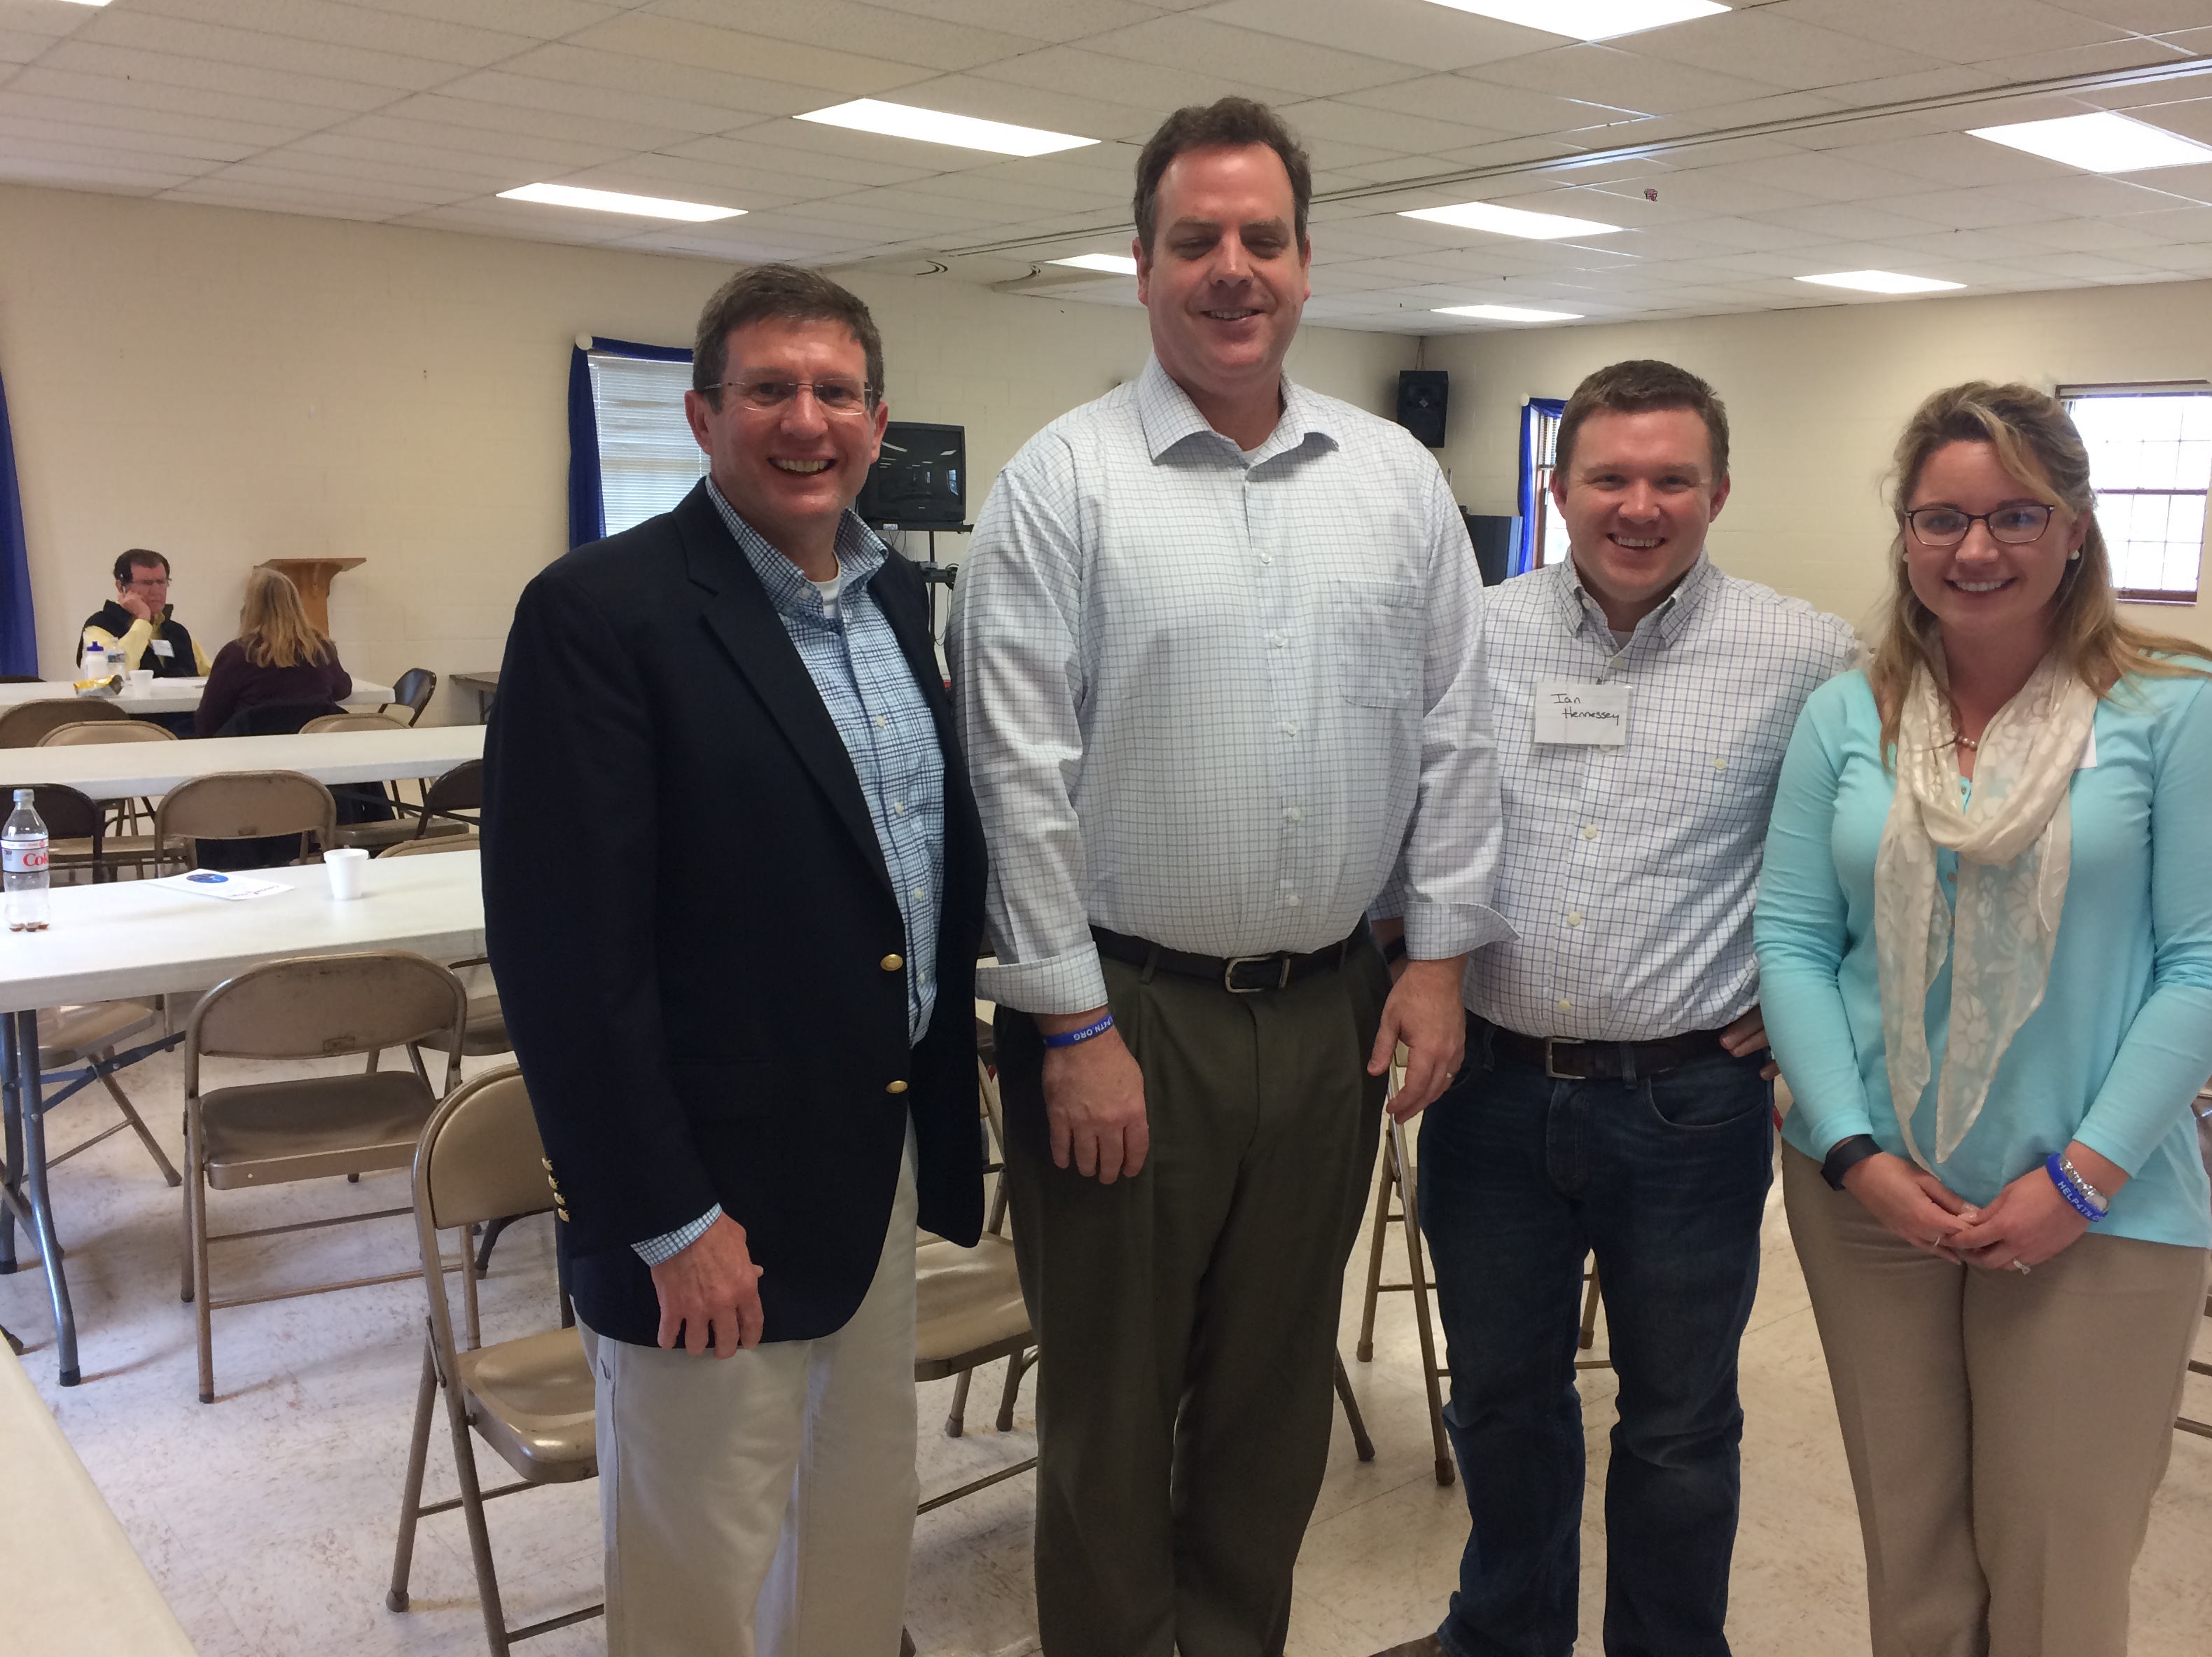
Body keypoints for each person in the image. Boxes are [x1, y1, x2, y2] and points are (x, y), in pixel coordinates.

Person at [948, 97, 1504, 1657]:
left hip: (1329, 1010)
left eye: (1263, 238)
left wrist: (1442, 958)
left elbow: (1461, 736)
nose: (1232, 267)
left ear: (1309, 266)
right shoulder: (1063, 488)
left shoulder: (1394, 482)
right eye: (1196, 239)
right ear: (1141, 264)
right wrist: (1070, 1030)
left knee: (1272, 1405)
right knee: (1113, 1421)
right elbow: (1018, 783)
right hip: (1127, 1017)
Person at [483, 263, 987, 1655]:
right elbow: (565, 961)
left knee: (856, 1526)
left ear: (878, 424)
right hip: (708, 1209)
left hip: (870, 1166)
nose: (805, 420)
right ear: (705, 415)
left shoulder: (896, 610)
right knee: (698, 1569)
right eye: (770, 389)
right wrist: (667, 1221)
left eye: (835, 393)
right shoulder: (601, 616)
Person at [1757, 382, 2212, 1657]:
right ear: (1902, 535)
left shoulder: (2177, 708)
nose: (1973, 549)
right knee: (1913, 1550)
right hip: (1867, 1201)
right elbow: (1789, 939)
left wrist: (2081, 1178)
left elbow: (2209, 961)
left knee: (2056, 1561)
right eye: (1939, 517)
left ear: (2072, 529)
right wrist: (1850, 1153)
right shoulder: (1848, 713)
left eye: (2011, 514)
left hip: (2094, 1213)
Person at [1381, 362, 1860, 1657]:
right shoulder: (1470, 632)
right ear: (1557, 484)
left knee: (1678, 1421)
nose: (1636, 505)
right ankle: (1502, 1633)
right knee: (1497, 1398)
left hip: (1687, 1104)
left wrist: (1821, 993)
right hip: (1488, 1089)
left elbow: (1882, 840)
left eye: (1668, 479)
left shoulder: (1806, 654)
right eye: (1607, 476)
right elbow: (1406, 829)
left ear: (1716, 490)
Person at [190, 567, 352, 737]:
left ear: (250, 608)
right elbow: (343, 689)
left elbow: (208, 721)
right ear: (296, 605)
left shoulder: (237, 654)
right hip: (316, 753)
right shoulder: (320, 649)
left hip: (251, 756)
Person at [81, 548, 207, 679]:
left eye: (161, 582)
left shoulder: (177, 632)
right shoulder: (99, 627)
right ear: (120, 587)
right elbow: (116, 673)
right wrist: (143, 619)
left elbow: (211, 674)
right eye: (146, 583)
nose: (156, 590)